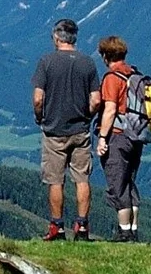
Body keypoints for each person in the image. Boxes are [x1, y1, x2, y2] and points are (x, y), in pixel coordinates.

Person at [31, 18, 100, 241]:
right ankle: (82, 226)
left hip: (54, 130)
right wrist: (87, 116)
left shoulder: (47, 62)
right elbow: (96, 100)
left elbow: (38, 98)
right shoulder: (87, 62)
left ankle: (57, 227)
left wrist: (40, 117)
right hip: (80, 130)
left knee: (55, 180)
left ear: (57, 37)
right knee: (82, 179)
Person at [95, 35, 144, 242]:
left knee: (117, 183)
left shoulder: (112, 78)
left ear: (106, 56)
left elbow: (110, 110)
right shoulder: (134, 74)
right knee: (130, 182)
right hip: (136, 136)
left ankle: (124, 233)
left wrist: (102, 138)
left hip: (118, 136)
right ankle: (132, 230)